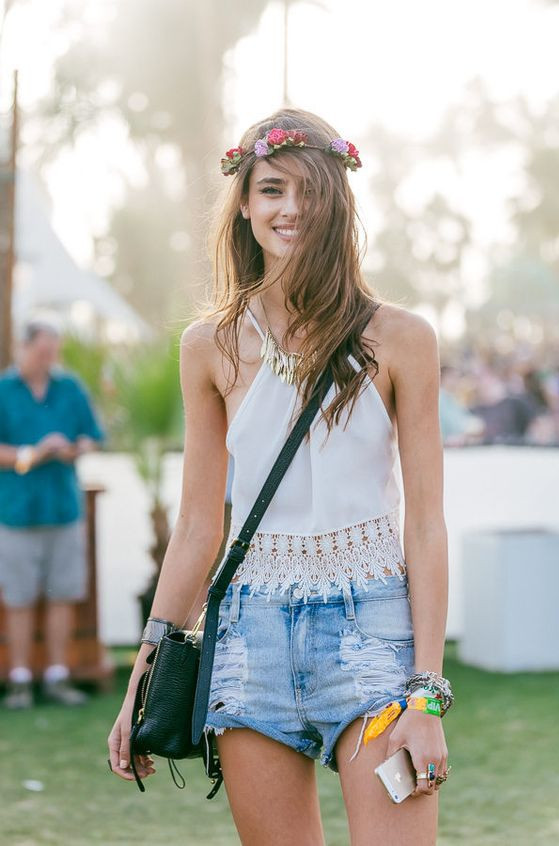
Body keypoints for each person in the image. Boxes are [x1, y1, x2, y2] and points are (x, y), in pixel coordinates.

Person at [108, 108, 451, 845]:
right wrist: (143, 672)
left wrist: (426, 694)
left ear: (338, 201)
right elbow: (201, 524)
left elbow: (425, 522)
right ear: (244, 203)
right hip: (249, 635)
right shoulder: (210, 347)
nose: (290, 207)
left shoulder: (401, 339)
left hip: (373, 629)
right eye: (270, 189)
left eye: (308, 189)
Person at [0, 321, 104, 709]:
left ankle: (59, 675)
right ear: (23, 349)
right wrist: (35, 452)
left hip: (64, 510)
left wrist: (75, 448)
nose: (49, 360)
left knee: (63, 594)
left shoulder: (70, 387)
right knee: (20, 598)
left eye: (52, 353)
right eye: (42, 352)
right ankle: (21, 681)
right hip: (15, 513)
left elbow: (92, 435)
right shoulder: (3, 391)